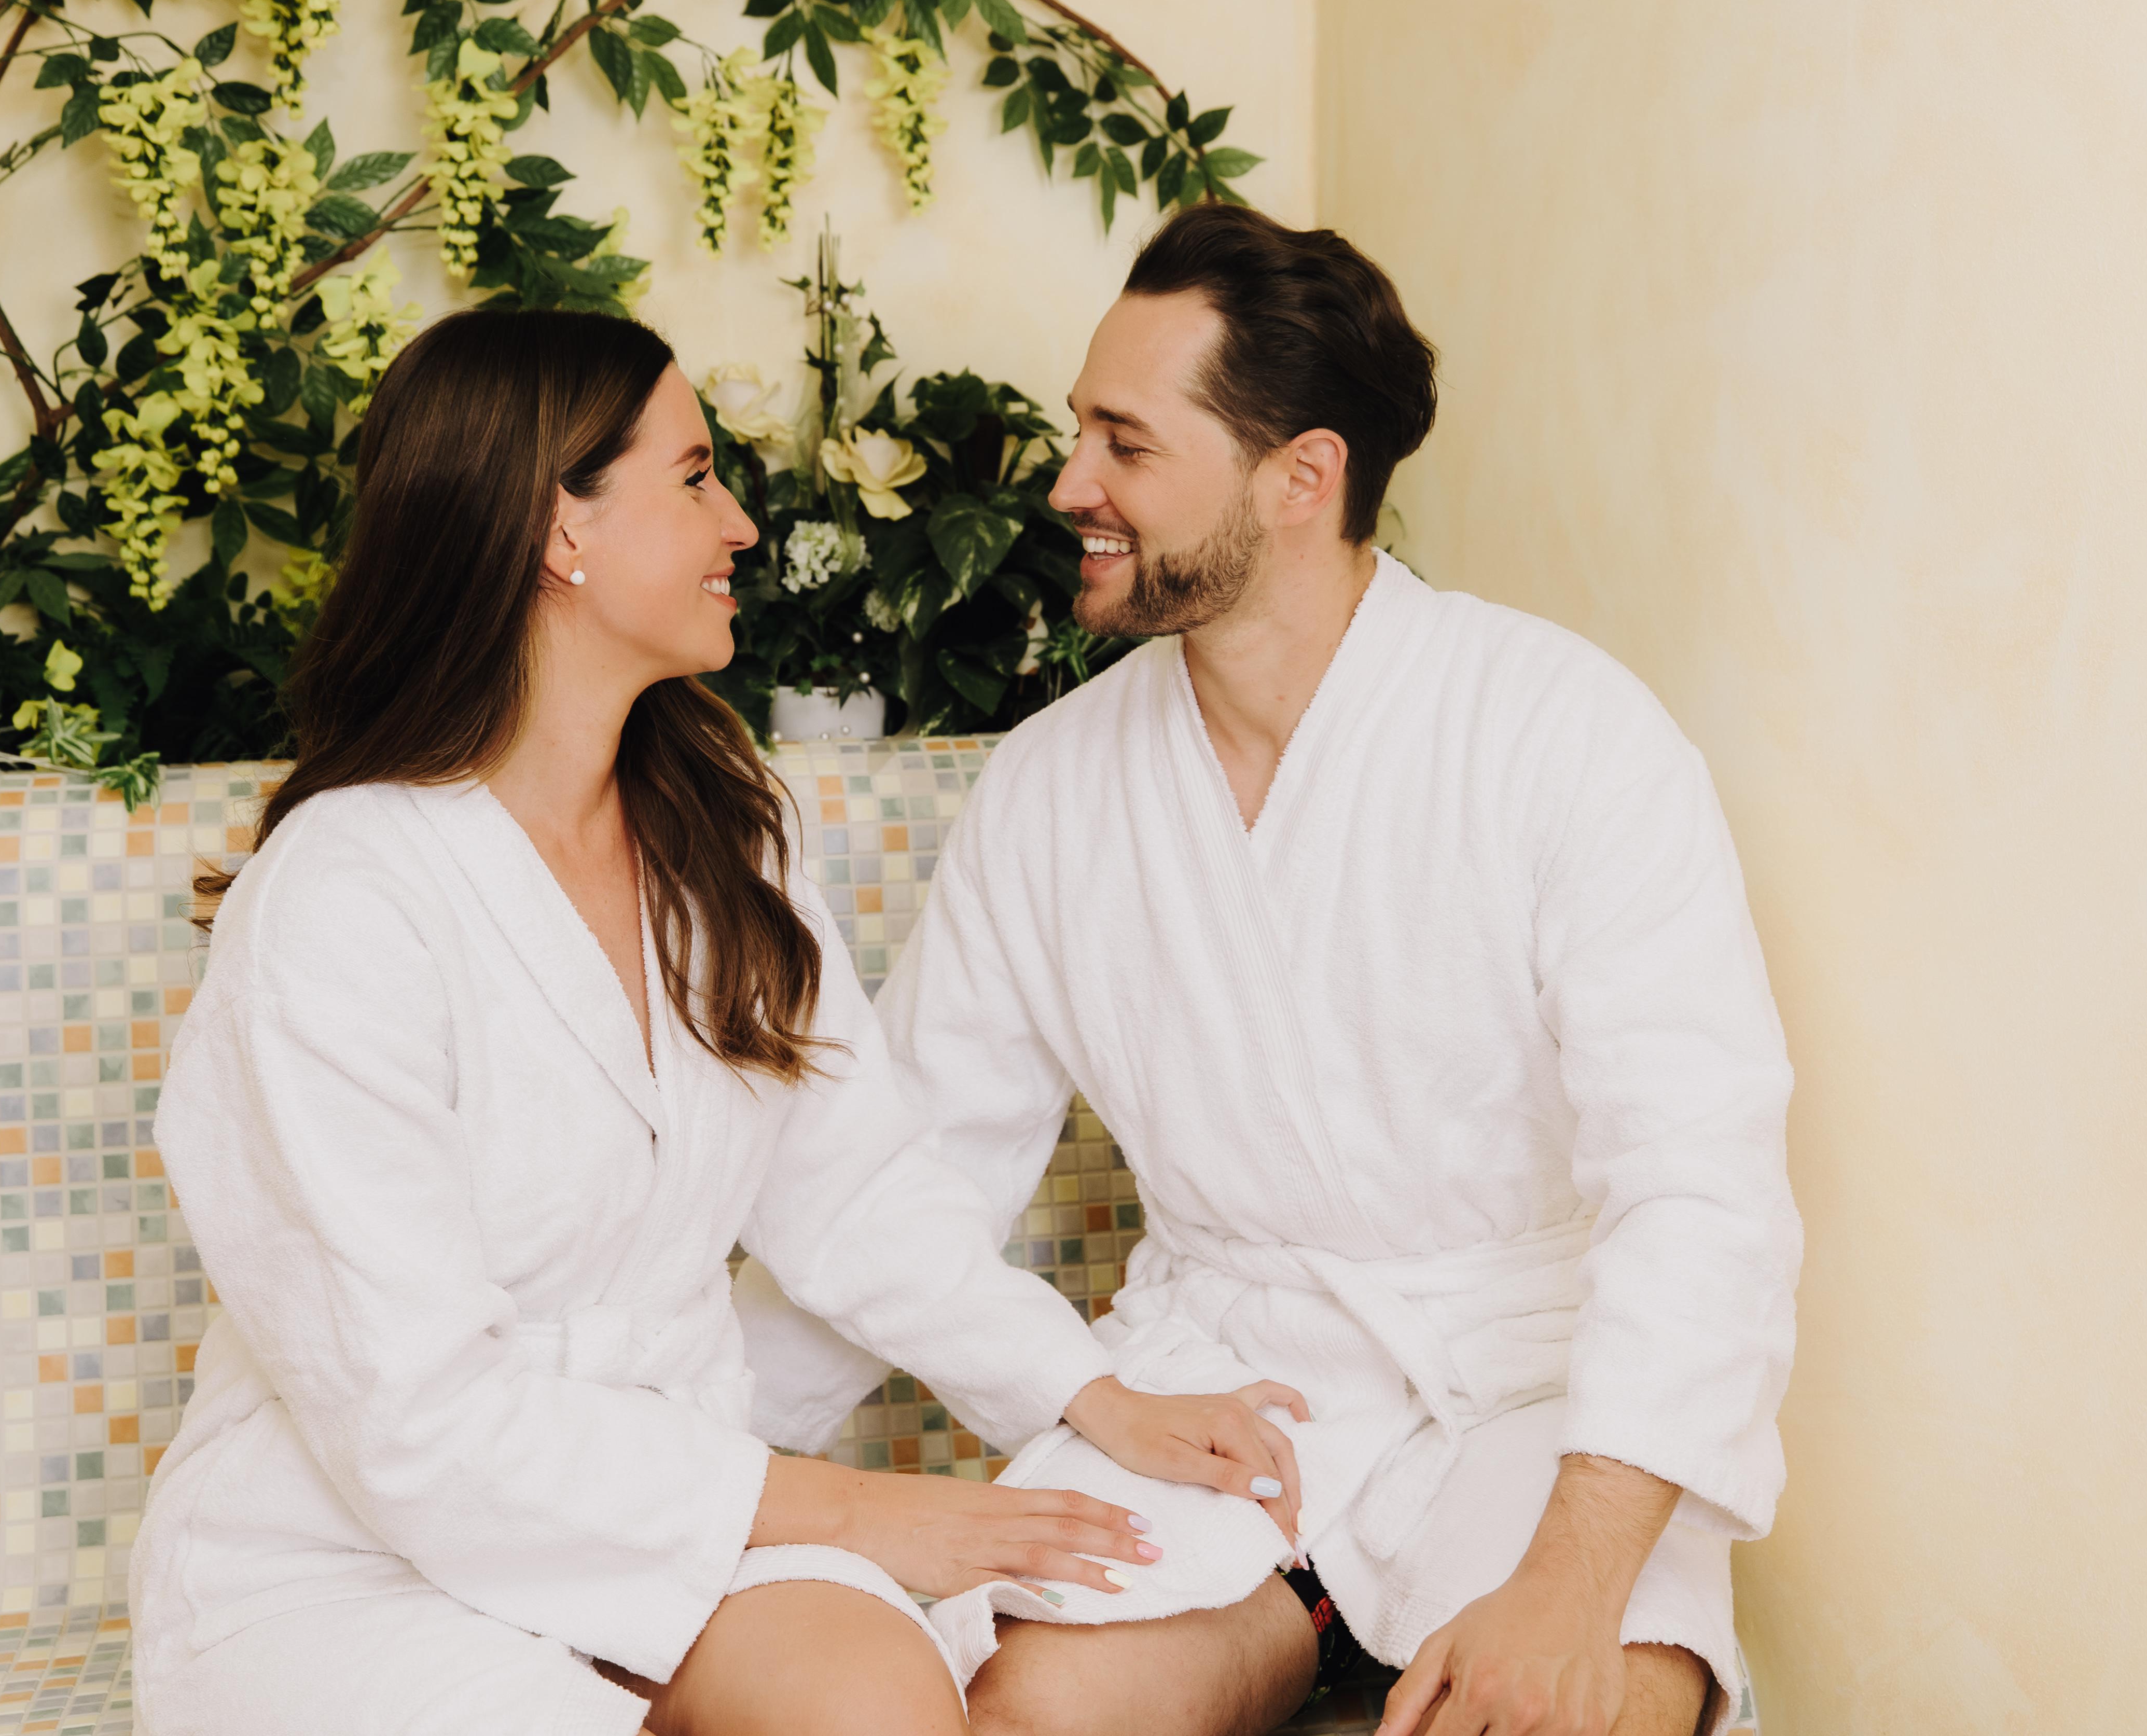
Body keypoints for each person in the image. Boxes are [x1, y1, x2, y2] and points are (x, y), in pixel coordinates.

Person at [127, 309, 1305, 1736]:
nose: (740, 522)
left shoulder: (721, 833)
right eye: (694, 478)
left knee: (878, 1704)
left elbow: (856, 1190)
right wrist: (862, 1510)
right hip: (354, 1560)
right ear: (559, 527)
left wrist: (1093, 1393)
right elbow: (415, 1418)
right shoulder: (344, 898)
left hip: (670, 1518)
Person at [735, 206, 1802, 1736]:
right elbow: (903, 1181)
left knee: (1584, 1715)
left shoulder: (1566, 734)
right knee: (1026, 1713)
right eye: (1078, 430)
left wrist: (1573, 1585)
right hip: (1224, 1388)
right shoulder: (1053, 789)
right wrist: (687, 1472)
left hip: (1537, 1400)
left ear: (1303, 477)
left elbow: (1702, 1188)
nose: (1069, 484)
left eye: (1125, 444)